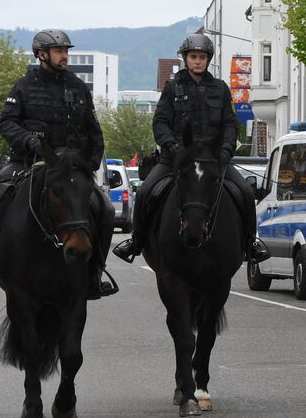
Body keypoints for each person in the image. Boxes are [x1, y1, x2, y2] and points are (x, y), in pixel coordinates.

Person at [0, 29, 116, 301]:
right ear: (42, 54)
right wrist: (29, 141)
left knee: (105, 208)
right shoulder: (24, 86)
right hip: (28, 161)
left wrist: (90, 163)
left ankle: (95, 273)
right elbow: (7, 123)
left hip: (70, 166)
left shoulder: (78, 86)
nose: (65, 56)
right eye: (60, 51)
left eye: (66, 51)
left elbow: (94, 130)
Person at [113, 33, 269, 264]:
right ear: (186, 58)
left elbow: (229, 124)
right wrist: (175, 148)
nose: (197, 61)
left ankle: (250, 243)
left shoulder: (220, 88)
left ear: (208, 60)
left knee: (245, 193)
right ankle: (136, 240)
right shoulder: (172, 87)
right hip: (175, 159)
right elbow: (160, 122)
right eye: (193, 56)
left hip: (213, 159)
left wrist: (226, 151)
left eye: (202, 57)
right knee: (146, 191)